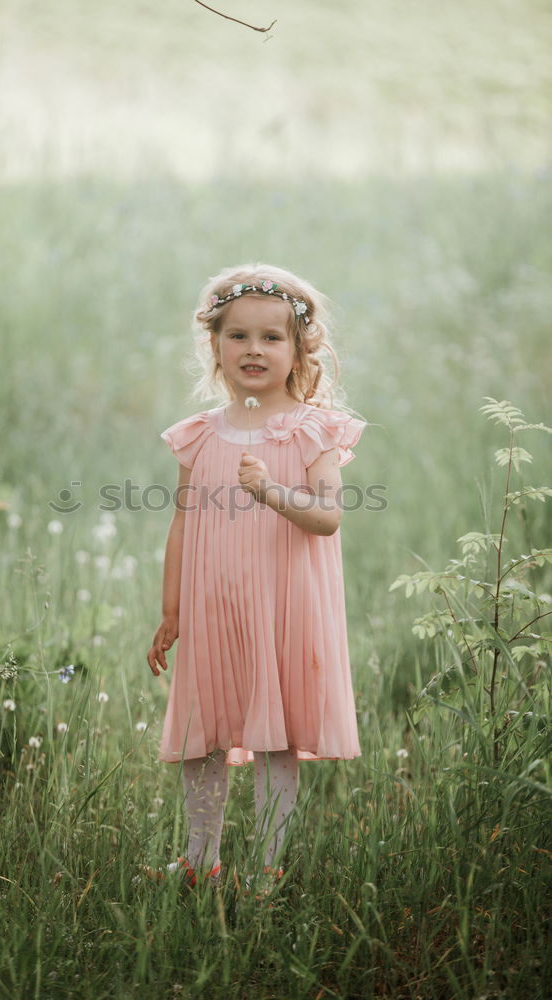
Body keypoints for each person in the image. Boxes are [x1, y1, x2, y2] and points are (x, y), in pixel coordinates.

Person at [146, 263, 366, 893]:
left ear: (299, 348)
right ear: (215, 344)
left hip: (284, 605)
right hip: (213, 604)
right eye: (238, 336)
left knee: (275, 738)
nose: (253, 350)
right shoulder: (200, 435)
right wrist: (172, 610)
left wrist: (271, 491)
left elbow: (325, 519)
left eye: (271, 337)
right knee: (202, 733)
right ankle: (199, 860)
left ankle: (267, 870)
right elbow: (184, 525)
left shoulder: (313, 431)